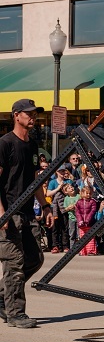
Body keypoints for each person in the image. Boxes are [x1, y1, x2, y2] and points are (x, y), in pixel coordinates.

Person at [0, 98, 54, 328]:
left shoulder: (32, 145)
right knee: (14, 263)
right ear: (16, 115)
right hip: (9, 213)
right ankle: (15, 314)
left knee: (35, 259)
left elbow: (34, 181)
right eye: (28, 113)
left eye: (34, 114)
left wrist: (45, 205)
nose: (33, 117)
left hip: (27, 212)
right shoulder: (5, 143)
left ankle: (2, 296)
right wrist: (1, 213)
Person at [75, 186, 98, 256]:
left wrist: (87, 220)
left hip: (90, 223)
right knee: (82, 237)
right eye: (87, 193)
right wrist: (80, 220)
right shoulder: (79, 202)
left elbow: (92, 211)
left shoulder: (92, 201)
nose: (88, 195)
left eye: (89, 193)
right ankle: (83, 251)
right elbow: (77, 212)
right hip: (81, 224)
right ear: (82, 193)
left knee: (90, 237)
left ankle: (91, 251)